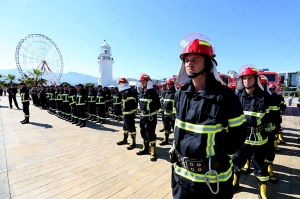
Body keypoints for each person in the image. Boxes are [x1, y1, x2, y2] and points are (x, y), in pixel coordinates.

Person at [170, 33, 246, 199]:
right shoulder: (180, 94)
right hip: (181, 178)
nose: (189, 64)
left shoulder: (225, 96)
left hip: (213, 180)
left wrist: (219, 156)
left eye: (195, 60)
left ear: (208, 63)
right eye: (187, 60)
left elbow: (238, 135)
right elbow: (177, 127)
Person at [232, 65, 272, 199]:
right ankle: (234, 183)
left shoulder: (265, 97)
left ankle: (263, 192)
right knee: (236, 161)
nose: (246, 81)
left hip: (259, 138)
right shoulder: (237, 96)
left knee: (260, 165)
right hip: (241, 138)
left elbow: (269, 118)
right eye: (244, 78)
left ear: (256, 79)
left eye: (250, 78)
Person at [136, 74, 160, 161]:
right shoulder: (141, 92)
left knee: (150, 133)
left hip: (150, 117)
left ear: (148, 82)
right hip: (142, 117)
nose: (142, 83)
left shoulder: (153, 92)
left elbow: (158, 105)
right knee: (143, 132)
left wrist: (152, 112)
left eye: (143, 81)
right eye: (141, 82)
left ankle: (153, 152)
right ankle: (145, 149)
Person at [116, 78, 137, 149]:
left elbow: (132, 103)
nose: (119, 85)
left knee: (131, 127)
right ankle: (125, 139)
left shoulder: (128, 92)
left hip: (129, 113)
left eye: (119, 84)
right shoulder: (124, 91)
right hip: (125, 112)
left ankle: (133, 142)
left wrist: (133, 112)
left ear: (122, 84)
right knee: (125, 127)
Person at [160, 77, 176, 145]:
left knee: (174, 129)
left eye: (170, 84)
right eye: (168, 84)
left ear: (173, 85)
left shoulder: (176, 93)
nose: (168, 86)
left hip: (173, 115)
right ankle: (165, 139)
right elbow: (163, 101)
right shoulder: (165, 93)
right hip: (166, 114)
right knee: (166, 127)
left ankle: (176, 142)